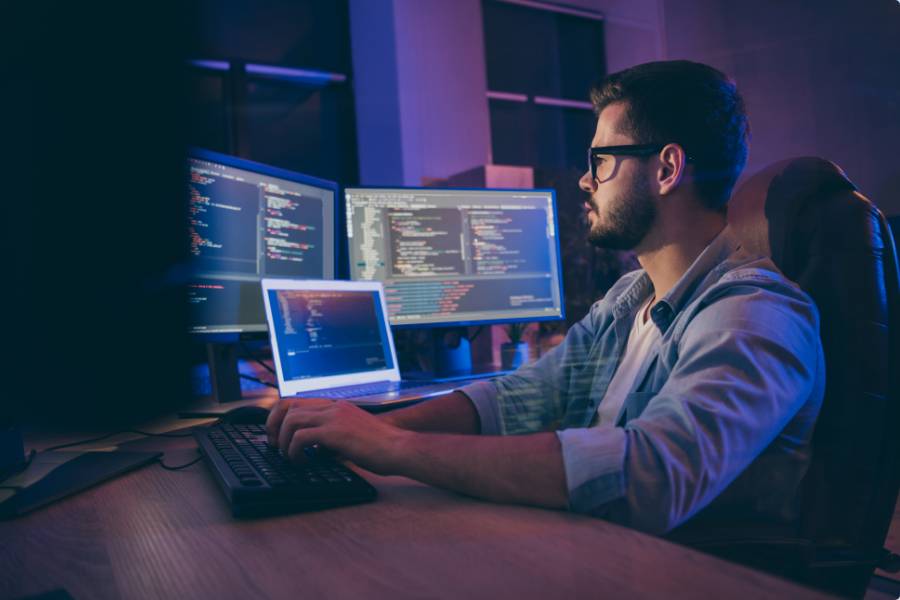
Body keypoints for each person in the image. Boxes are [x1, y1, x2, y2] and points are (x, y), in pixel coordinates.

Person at [266, 60, 825, 535]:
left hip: (679, 573)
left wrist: (393, 450)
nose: (586, 181)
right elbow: (525, 397)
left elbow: (653, 477)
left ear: (667, 168)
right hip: (594, 545)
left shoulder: (754, 315)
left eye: (600, 161)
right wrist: (371, 430)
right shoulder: (631, 300)